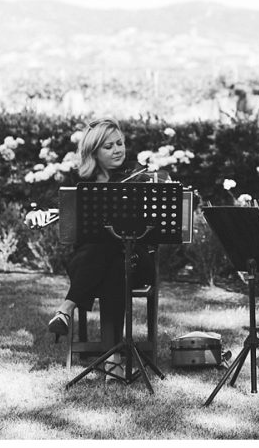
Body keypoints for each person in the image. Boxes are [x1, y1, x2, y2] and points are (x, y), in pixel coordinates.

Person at [25, 118, 168, 373]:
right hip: (97, 263)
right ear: (94, 152)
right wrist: (40, 215)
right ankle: (113, 362)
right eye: (109, 146)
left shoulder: (138, 176)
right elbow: (54, 210)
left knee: (110, 248)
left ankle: (66, 308)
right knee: (111, 262)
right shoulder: (81, 183)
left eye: (120, 143)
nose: (118, 150)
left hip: (135, 261)